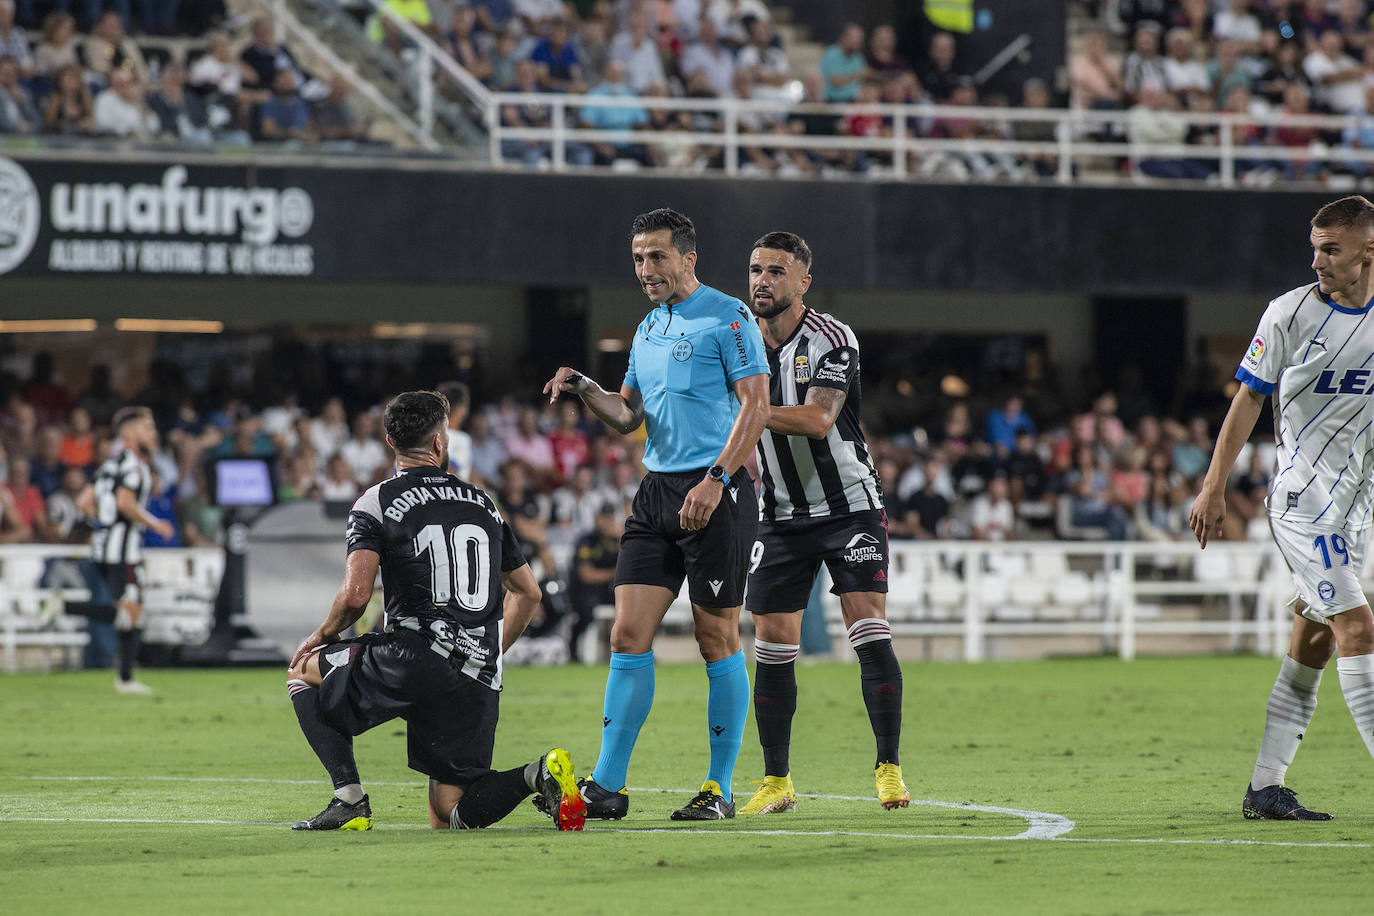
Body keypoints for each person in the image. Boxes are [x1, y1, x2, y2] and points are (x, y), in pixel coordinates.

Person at [542, 208, 769, 820]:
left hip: (717, 492)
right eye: (639, 257)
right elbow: (628, 416)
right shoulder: (646, 329)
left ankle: (718, 789)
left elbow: (757, 407)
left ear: (688, 258)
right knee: (626, 633)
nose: (646, 269)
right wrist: (587, 388)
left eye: (658, 256)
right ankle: (607, 785)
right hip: (658, 493)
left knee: (715, 636)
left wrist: (717, 479)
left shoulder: (730, 316)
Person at [285, 390, 585, 832]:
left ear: (389, 440)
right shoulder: (485, 503)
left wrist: (321, 635)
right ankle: (536, 773)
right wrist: (487, 653)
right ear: (440, 443)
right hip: (475, 670)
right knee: (450, 814)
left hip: (410, 657)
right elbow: (529, 593)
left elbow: (355, 596)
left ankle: (348, 798)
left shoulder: (375, 502)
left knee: (301, 671)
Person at [1189, 194, 1374, 822]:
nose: (1317, 260)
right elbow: (1247, 400)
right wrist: (1215, 485)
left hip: (1356, 504)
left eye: (1331, 249)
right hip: (1302, 498)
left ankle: (1264, 789)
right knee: (1359, 628)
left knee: (1315, 641)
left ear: (1368, 251)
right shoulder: (1290, 312)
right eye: (1315, 247)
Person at [732, 231, 907, 816]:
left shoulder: (831, 337)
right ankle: (777, 782)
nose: (762, 280)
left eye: (776, 271)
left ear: (802, 281)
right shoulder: (737, 341)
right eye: (756, 269)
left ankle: (888, 768)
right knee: (772, 645)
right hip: (780, 515)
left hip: (849, 505)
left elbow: (816, 419)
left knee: (867, 628)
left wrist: (748, 411)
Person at [65, 407, 173, 693]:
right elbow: (125, 503)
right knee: (131, 613)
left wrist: (106, 523)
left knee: (131, 612)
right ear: (130, 432)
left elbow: (83, 503)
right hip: (122, 553)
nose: (153, 432)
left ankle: (125, 678)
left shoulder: (109, 466)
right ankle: (61, 606)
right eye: (147, 427)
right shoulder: (133, 466)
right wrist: (154, 523)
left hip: (104, 548)